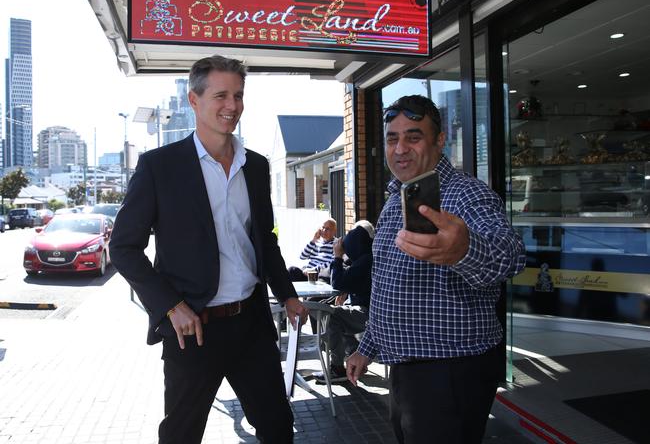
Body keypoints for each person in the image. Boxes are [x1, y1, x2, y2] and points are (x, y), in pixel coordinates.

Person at [110, 55, 307, 444]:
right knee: (182, 435)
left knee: (279, 427)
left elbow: (264, 238)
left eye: (238, 95)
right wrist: (170, 305)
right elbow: (123, 247)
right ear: (193, 100)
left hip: (251, 322)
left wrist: (287, 294)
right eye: (220, 95)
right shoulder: (159, 166)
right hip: (194, 329)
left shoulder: (256, 166)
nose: (232, 106)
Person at [346, 95, 526, 444]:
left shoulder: (466, 194)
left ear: (439, 140)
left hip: (451, 371)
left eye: (413, 137)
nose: (400, 149)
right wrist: (367, 346)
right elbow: (388, 287)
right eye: (392, 138)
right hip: (406, 370)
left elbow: (511, 255)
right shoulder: (396, 199)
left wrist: (465, 249)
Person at [314, 220, 373, 383]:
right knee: (337, 310)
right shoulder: (367, 257)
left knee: (332, 315)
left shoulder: (365, 261)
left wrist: (337, 256)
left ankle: (337, 367)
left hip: (370, 314)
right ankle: (357, 355)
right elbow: (346, 276)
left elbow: (338, 282)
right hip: (371, 310)